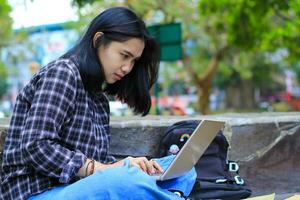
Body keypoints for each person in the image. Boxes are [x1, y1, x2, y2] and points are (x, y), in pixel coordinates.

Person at [0, 7, 196, 200]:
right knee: (127, 180)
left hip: (77, 188)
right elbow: (36, 146)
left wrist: (128, 164)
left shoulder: (99, 99)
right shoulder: (62, 73)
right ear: (98, 40)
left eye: (134, 61)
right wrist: (109, 170)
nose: (128, 68)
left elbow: (101, 167)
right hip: (36, 193)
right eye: (124, 55)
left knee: (179, 168)